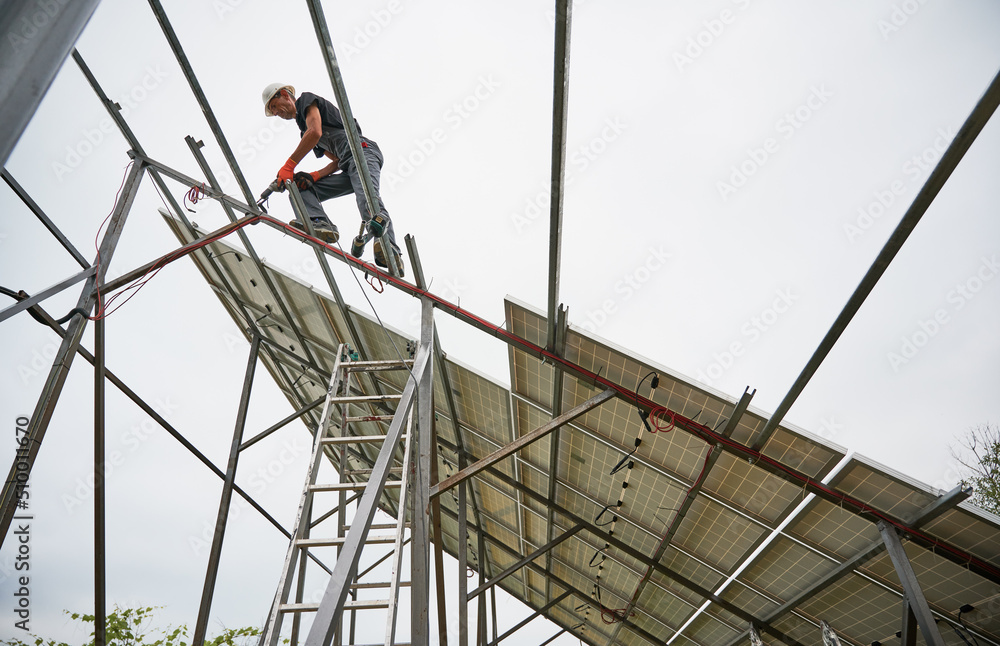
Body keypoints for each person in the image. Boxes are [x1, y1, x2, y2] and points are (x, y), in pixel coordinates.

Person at [262, 82, 403, 275]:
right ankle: (320, 223)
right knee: (302, 190)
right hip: (347, 165)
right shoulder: (304, 130)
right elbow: (336, 161)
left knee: (366, 197)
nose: (276, 112)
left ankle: (390, 249)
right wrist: (314, 176)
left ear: (285, 95)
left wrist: (289, 166)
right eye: (272, 111)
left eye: (274, 106)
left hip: (363, 154)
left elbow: (316, 132)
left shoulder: (306, 101)